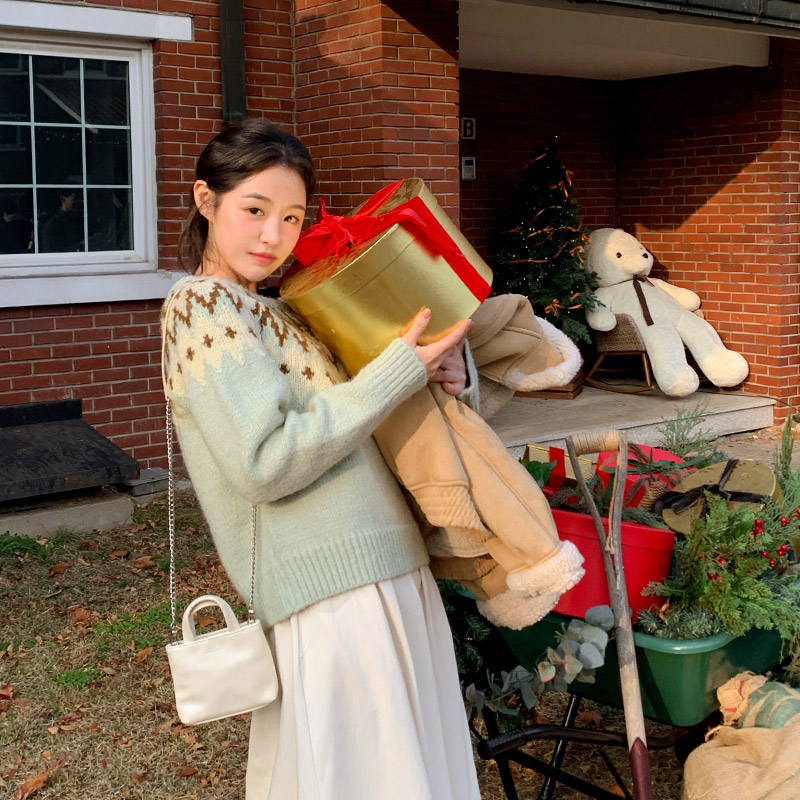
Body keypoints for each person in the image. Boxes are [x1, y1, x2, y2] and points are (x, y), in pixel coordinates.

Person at [161, 118, 482, 800]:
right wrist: (392, 375)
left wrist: (437, 375)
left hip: (382, 568)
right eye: (254, 210)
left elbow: (360, 419)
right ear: (204, 200)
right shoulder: (202, 307)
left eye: (291, 217)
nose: (273, 236)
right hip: (332, 591)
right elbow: (266, 461)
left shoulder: (277, 309)